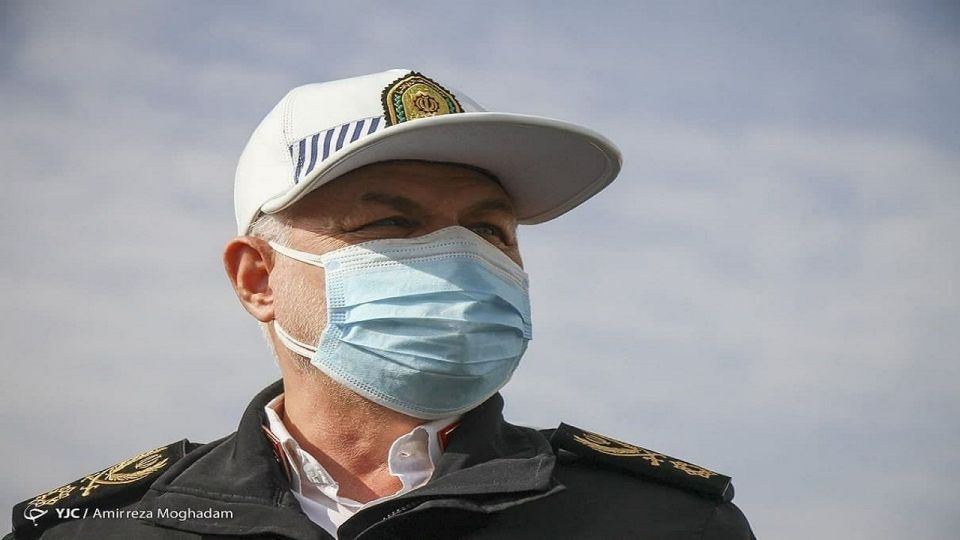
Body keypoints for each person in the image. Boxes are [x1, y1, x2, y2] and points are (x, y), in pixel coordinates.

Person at [6, 69, 755, 539]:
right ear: (258, 279)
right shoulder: (97, 529)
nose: (461, 258)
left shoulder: (668, 522)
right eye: (392, 223)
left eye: (489, 230)